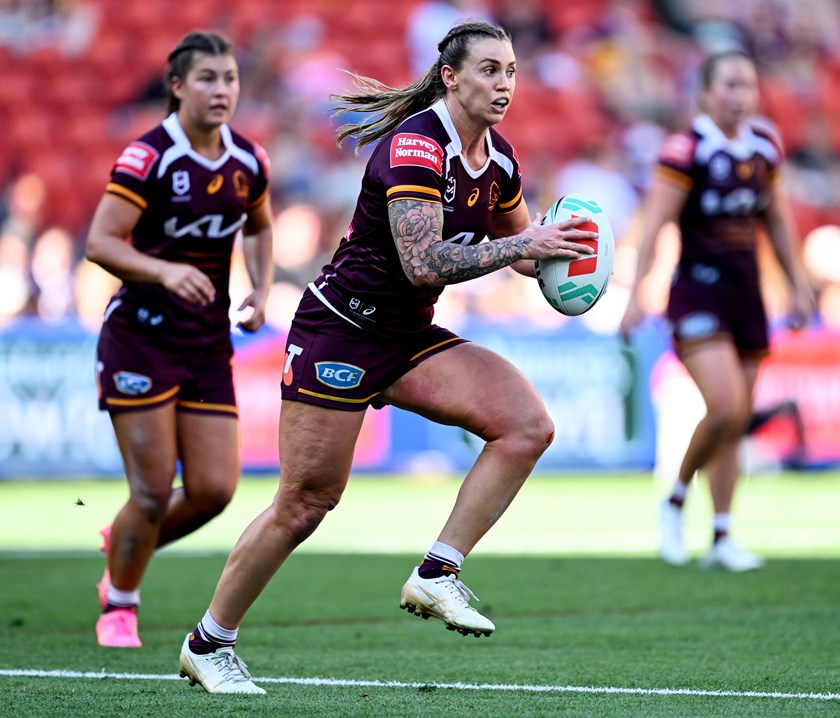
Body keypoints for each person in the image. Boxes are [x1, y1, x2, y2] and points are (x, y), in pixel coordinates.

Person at [178, 20, 598, 694]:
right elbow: (424, 260)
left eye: (512, 70)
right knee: (306, 503)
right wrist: (526, 246)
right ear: (451, 76)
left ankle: (438, 572)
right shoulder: (416, 145)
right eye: (489, 70)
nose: (505, 84)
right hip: (340, 330)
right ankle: (209, 642)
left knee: (527, 426)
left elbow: (522, 253)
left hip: (407, 335)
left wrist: (569, 257)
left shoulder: (500, 158)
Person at [85, 30, 274, 648]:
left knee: (216, 490)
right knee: (149, 487)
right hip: (139, 338)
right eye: (207, 80)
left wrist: (261, 290)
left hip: (205, 341)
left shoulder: (249, 160)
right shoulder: (150, 156)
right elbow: (101, 242)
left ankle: (124, 542)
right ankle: (120, 603)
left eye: (230, 80)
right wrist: (165, 269)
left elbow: (261, 226)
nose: (222, 91)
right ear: (176, 87)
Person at [620, 50, 814, 572]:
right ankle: (675, 499)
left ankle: (723, 535)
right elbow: (656, 222)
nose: (740, 95)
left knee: (736, 421)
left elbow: (776, 222)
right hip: (697, 293)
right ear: (704, 94)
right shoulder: (687, 150)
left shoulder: (764, 148)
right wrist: (638, 293)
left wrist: (798, 284)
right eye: (729, 85)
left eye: (747, 85)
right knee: (725, 406)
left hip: (747, 293)